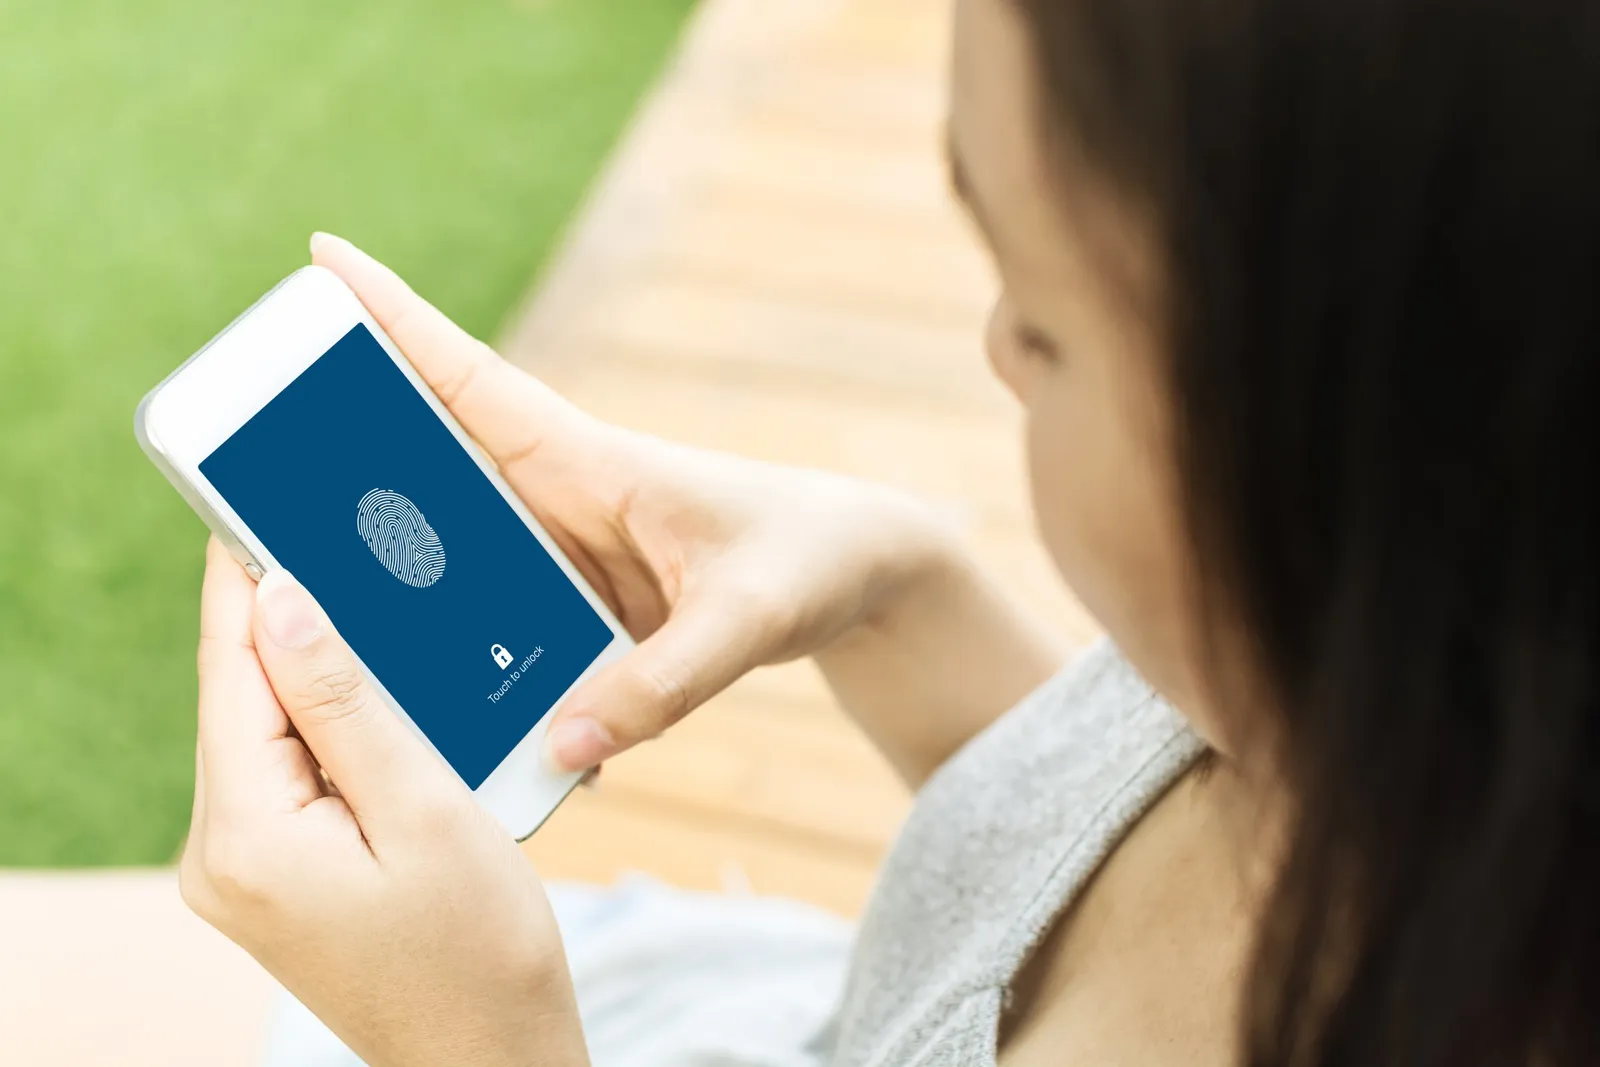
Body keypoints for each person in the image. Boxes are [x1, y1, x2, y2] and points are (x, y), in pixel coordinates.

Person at [179, 0, 1600, 1064]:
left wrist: (491, 1051)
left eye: (1040, 324)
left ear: (1364, 457)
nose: (993, 347)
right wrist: (890, 588)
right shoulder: (1341, 702)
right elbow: (1051, 887)